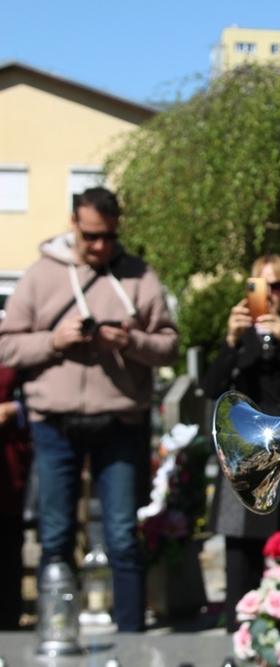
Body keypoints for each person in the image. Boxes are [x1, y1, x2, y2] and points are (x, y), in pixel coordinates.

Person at [0, 186, 178, 633]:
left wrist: (130, 341)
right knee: (55, 536)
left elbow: (170, 346)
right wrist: (54, 341)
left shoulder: (140, 276)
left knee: (121, 535)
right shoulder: (41, 275)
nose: (99, 246)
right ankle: (54, 635)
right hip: (54, 425)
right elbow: (7, 345)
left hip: (120, 421)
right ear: (73, 223)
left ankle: (131, 640)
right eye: (91, 236)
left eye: (108, 236)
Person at [201, 254, 280, 633]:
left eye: (277, 286)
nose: (269, 295)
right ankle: (240, 634)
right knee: (240, 543)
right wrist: (230, 342)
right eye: (259, 286)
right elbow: (212, 388)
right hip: (245, 446)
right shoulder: (239, 335)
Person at [0, 360, 31, 630]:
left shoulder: (9, 332)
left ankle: (8, 629)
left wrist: (15, 410)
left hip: (8, 468)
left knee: (8, 548)